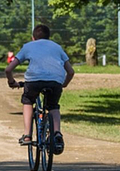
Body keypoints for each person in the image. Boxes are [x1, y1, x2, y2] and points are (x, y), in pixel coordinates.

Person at [5, 24, 75, 153]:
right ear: (49, 37)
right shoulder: (57, 47)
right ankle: (57, 133)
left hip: (34, 81)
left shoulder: (28, 47)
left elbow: (8, 69)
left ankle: (27, 135)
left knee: (27, 100)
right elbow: (70, 72)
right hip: (55, 81)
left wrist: (12, 82)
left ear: (33, 38)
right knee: (53, 106)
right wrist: (63, 84)